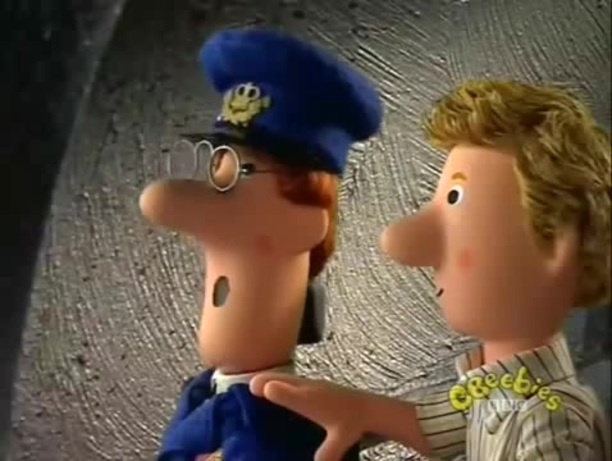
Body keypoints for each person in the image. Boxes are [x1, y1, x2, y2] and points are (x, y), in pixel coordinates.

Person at [250, 80, 612, 460]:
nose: (401, 246)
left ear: (557, 246)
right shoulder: (502, 391)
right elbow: (432, 425)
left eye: (456, 199)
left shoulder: (552, 422)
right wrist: (358, 409)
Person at [139, 28, 383, 461]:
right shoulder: (203, 398)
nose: (213, 191)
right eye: (218, 170)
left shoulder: (285, 429)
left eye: (239, 173)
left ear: (303, 225)